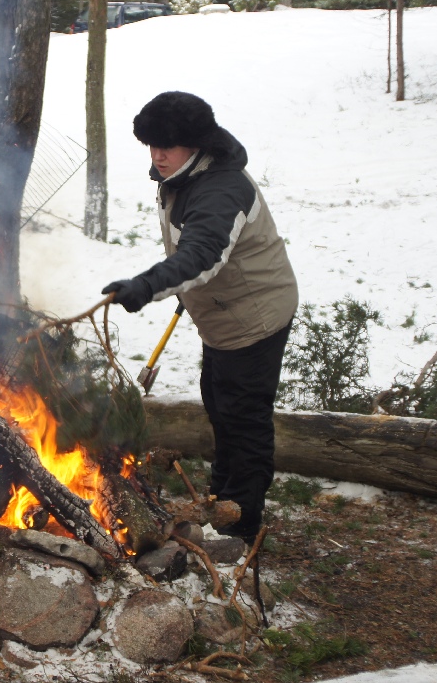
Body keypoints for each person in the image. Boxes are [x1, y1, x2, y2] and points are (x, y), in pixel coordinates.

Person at [102, 92, 298, 541]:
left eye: (166, 146)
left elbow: (204, 254)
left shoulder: (221, 189)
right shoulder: (183, 173)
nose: (157, 156)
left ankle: (241, 525)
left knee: (244, 419)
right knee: (219, 404)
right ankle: (221, 497)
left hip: (254, 317)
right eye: (150, 146)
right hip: (221, 313)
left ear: (196, 144)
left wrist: (148, 285)